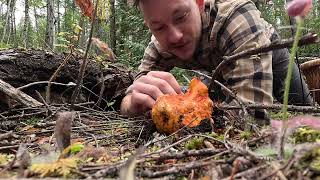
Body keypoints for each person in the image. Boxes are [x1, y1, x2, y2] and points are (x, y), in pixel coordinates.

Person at [120, 0, 312, 124]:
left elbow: (253, 115)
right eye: (159, 27)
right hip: (219, 70)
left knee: (304, 108)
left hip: (267, 48)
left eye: (180, 17)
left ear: (199, 3)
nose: (174, 36)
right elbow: (131, 95)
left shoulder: (235, 17)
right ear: (149, 25)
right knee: (218, 106)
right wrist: (131, 104)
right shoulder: (159, 46)